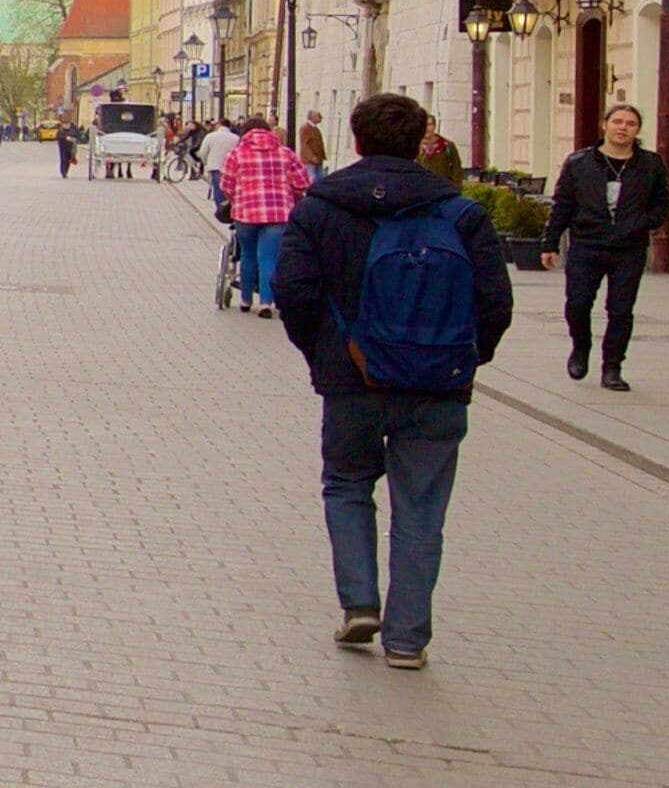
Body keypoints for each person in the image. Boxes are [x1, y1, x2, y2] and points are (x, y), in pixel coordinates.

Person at [275, 93, 511, 672]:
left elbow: (293, 293)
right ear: (420, 142)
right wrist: (464, 359)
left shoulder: (320, 207)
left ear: (356, 140)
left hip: (351, 380)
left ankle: (359, 602)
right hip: (436, 383)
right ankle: (407, 640)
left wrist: (324, 355)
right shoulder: (460, 212)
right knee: (421, 508)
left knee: (347, 485)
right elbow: (495, 302)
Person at [543, 103, 669, 392]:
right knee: (577, 304)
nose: (623, 127)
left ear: (637, 129)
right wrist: (549, 242)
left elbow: (662, 203)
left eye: (630, 123)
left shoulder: (649, 164)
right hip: (587, 244)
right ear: (605, 125)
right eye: (617, 121)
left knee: (621, 310)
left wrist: (644, 222)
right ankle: (581, 347)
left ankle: (612, 367)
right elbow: (562, 204)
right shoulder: (580, 162)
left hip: (629, 247)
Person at [217, 121, 310, 316]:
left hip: (245, 212)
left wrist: (236, 197)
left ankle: (245, 299)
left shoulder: (237, 153)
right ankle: (266, 303)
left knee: (248, 255)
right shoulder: (285, 153)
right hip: (277, 213)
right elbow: (303, 182)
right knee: (269, 257)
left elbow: (225, 184)